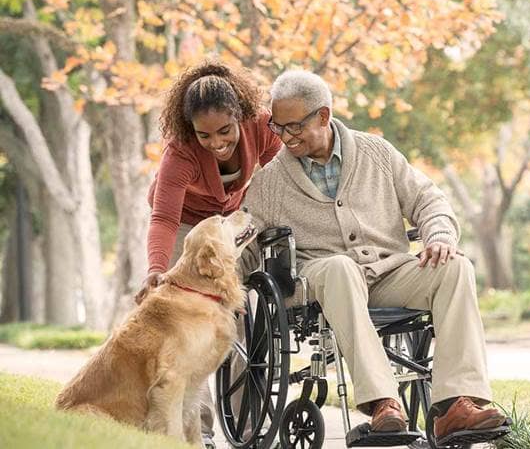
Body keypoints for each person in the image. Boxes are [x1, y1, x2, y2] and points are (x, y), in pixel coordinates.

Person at [240, 70, 506, 440]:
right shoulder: (269, 182)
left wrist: (439, 234)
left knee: (455, 266)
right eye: (278, 127)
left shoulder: (376, 152)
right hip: (323, 280)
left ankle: (455, 406)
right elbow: (247, 243)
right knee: (340, 267)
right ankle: (383, 402)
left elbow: (428, 199)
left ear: (323, 115)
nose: (286, 137)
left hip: (389, 273)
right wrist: (220, 287)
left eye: (295, 126)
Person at [138, 61, 282, 448]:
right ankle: (196, 433)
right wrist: (157, 268)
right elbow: (164, 217)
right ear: (191, 131)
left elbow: (283, 177)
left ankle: (250, 431)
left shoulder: (262, 127)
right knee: (190, 333)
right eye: (205, 135)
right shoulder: (180, 152)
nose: (216, 143)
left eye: (225, 131)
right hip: (185, 226)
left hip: (229, 223)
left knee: (241, 323)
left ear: (241, 116)